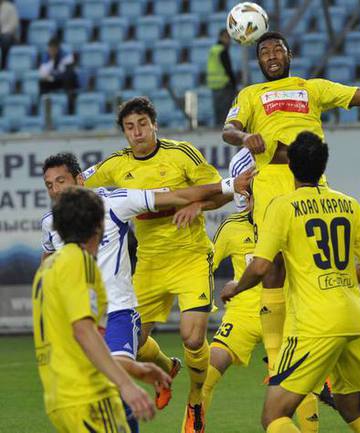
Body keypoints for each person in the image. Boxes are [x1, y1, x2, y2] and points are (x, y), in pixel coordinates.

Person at [222, 31, 360, 393]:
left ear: (289, 55)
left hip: (310, 187)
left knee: (316, 269)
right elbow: (229, 129)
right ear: (258, 60)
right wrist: (245, 138)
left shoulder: (312, 88)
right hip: (271, 188)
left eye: (277, 49)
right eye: (264, 51)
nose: (271, 55)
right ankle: (276, 361)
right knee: (273, 268)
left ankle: (320, 357)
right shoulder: (250, 95)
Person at [41, 152, 251, 431]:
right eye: (49, 185)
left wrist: (228, 184)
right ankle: (162, 367)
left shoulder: (114, 202)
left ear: (80, 180)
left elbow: (176, 195)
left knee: (120, 387)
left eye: (61, 181)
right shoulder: (52, 228)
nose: (55, 190)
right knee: (110, 390)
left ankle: (190, 395)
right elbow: (50, 267)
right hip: (82, 324)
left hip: (117, 313)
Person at [83, 96, 237, 433]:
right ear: (124, 132)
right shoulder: (115, 165)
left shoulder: (182, 154)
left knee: (192, 338)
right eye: (129, 127)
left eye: (142, 124)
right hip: (150, 262)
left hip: (190, 256)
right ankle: (168, 368)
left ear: (154, 125)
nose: (137, 132)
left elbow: (223, 191)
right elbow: (80, 183)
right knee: (134, 344)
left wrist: (197, 205)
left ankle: (195, 400)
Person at [221, 132, 360, 433]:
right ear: (323, 166)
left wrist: (236, 287)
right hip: (353, 319)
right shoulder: (350, 204)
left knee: (274, 416)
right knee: (352, 408)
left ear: (290, 166)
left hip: (314, 323)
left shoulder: (283, 206)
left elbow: (261, 266)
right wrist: (337, 277)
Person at [32, 187, 166, 432]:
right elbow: (84, 331)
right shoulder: (80, 262)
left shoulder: (46, 270)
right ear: (99, 226)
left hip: (60, 398)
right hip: (89, 396)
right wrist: (126, 385)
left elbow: (75, 344)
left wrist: (135, 367)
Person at [38, 37, 79, 111]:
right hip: (55, 80)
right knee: (42, 82)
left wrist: (54, 77)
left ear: (58, 48)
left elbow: (68, 72)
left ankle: (70, 106)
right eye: (50, 49)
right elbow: (43, 74)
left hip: (67, 81)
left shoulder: (66, 56)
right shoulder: (46, 58)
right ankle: (44, 105)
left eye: (54, 49)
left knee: (68, 77)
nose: (52, 51)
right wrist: (50, 77)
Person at [208, 29, 237, 127]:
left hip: (214, 86)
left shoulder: (213, 49)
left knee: (218, 114)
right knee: (226, 115)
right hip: (224, 86)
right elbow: (228, 69)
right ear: (221, 37)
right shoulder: (222, 50)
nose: (228, 40)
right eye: (226, 37)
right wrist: (234, 84)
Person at [0, 0, 18, 70]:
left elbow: (14, 24)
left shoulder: (10, 7)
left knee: (5, 39)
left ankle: (3, 65)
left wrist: (2, 32)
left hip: (8, 34)